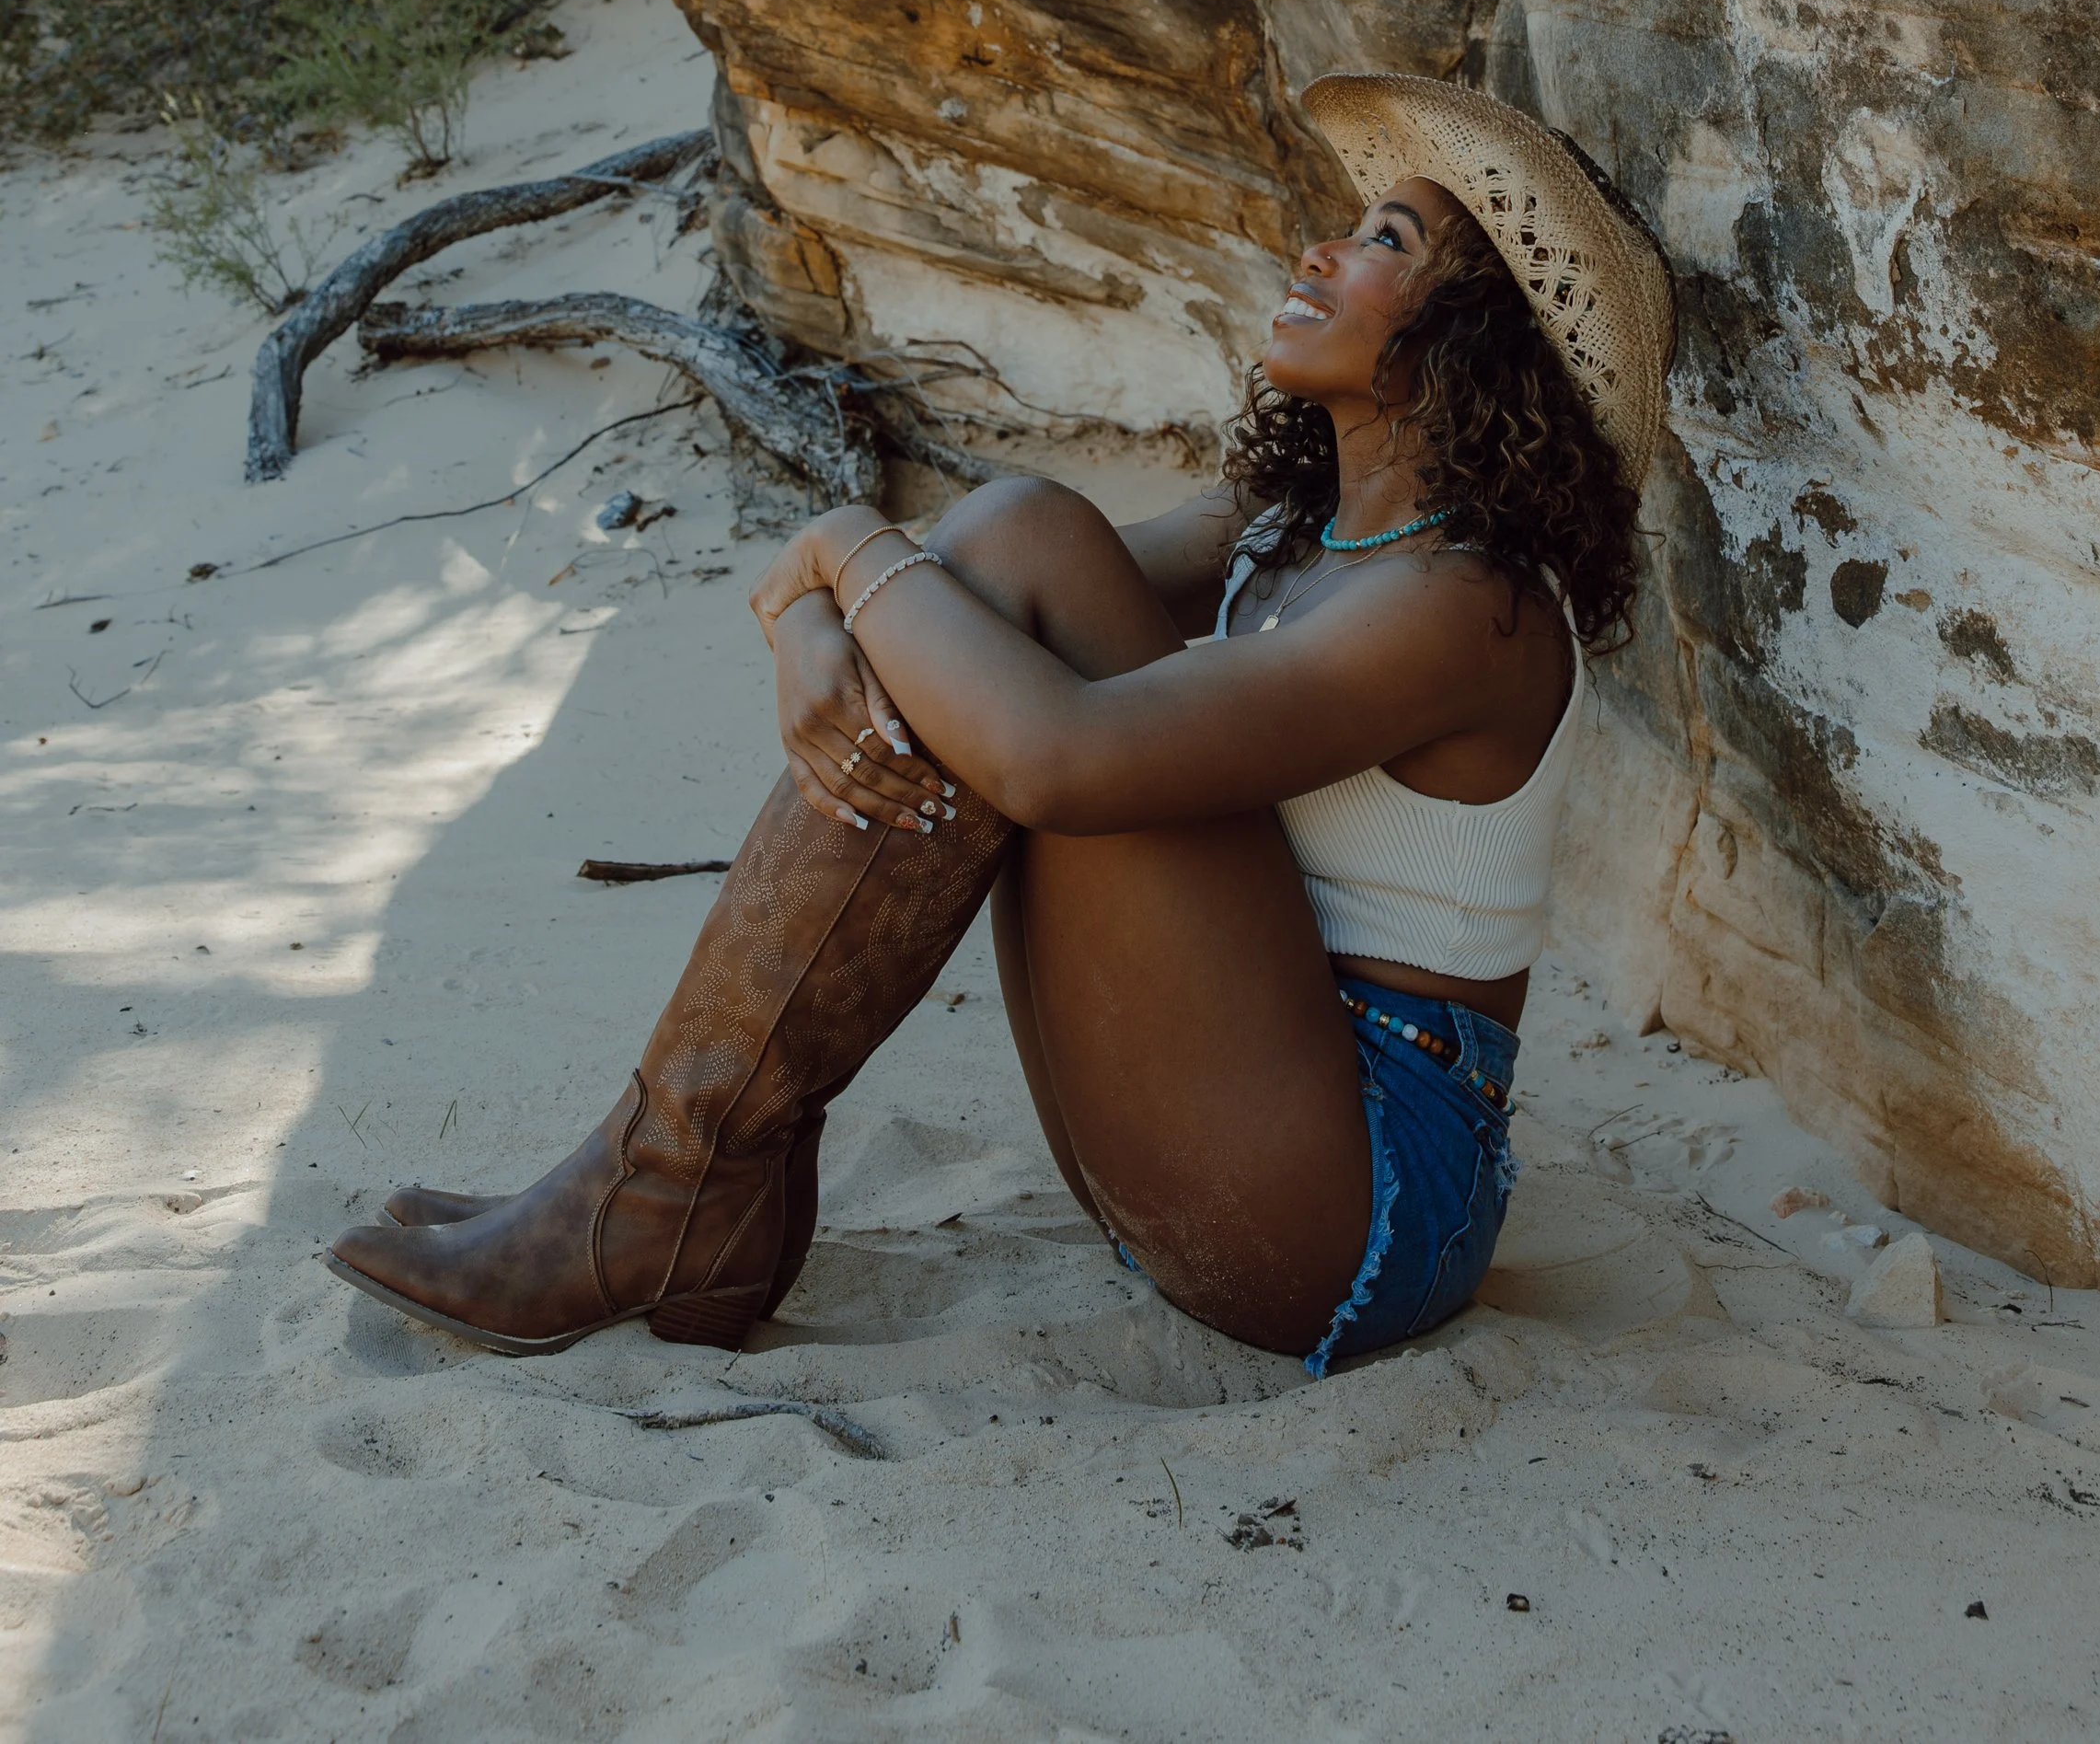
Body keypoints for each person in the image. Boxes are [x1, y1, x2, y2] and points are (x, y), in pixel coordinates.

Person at [328, 72, 1675, 1372]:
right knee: (1001, 566)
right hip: (1225, 1132)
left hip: (1356, 1203)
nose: (1321, 249)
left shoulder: (1465, 611)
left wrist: (843, 548)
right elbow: (959, 600)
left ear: (1479, 338)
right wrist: (808, 606)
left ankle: (668, 1186)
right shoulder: (1289, 532)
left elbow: (1054, 753)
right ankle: (672, 1172)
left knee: (1025, 550)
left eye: (1386, 239)